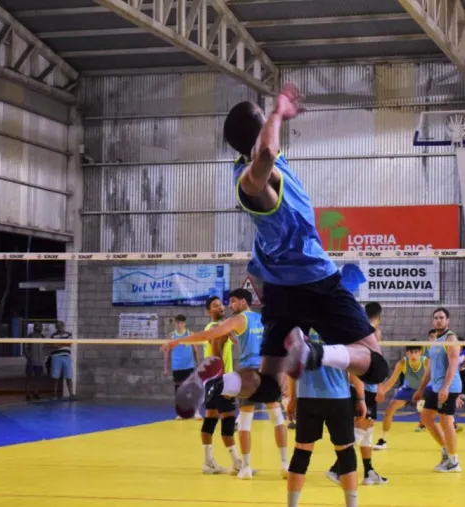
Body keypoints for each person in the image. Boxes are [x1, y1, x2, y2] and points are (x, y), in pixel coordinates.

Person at [174, 84, 390, 420]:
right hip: (315, 278)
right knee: (376, 366)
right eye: (265, 121)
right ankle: (315, 353)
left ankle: (217, 383)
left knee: (269, 386)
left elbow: (267, 152)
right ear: (261, 129)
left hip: (278, 288)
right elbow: (266, 153)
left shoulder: (260, 165)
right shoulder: (252, 184)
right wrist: (278, 111)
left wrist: (273, 118)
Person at [165, 289, 289, 479]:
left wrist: (178, 341)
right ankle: (284, 464)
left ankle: (245, 466)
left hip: (246, 374)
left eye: (232, 301)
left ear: (242, 301)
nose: (229, 305)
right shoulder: (262, 319)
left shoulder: (238, 320)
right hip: (267, 371)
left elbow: (208, 336)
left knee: (243, 420)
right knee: (277, 418)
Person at [286, 329, 361, 507]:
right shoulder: (341, 325)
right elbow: (354, 364)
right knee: (346, 453)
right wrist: (361, 398)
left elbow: (292, 365)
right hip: (339, 397)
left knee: (301, 452)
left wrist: (292, 397)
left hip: (307, 396)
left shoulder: (299, 327)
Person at [326, 302, 388, 485]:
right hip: (365, 389)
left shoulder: (357, 330)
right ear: (379, 317)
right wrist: (372, 389)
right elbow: (362, 365)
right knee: (360, 430)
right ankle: (336, 469)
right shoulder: (371, 333)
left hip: (362, 388)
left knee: (368, 430)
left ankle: (369, 472)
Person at [413, 308, 462, 473]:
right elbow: (429, 368)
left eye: (442, 317)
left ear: (448, 320)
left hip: (449, 386)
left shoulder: (451, 338)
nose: (438, 320)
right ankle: (446, 450)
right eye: (436, 318)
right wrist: (420, 389)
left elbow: (453, 365)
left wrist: (445, 387)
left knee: (446, 422)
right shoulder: (434, 340)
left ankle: (454, 461)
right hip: (435, 388)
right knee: (426, 418)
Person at [198, 297, 242, 474]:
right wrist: (225, 382)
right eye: (215, 306)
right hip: (221, 378)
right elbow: (217, 354)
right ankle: (237, 463)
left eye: (220, 304)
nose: (220, 307)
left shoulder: (214, 328)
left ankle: (208, 462)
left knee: (210, 417)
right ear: (209, 311)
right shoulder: (215, 328)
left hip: (210, 379)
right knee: (228, 418)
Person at [374, 341, 429, 449]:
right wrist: (380, 392)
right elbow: (391, 381)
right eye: (411, 352)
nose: (413, 355)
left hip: (425, 389)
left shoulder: (426, 362)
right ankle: (382, 440)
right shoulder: (402, 363)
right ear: (407, 353)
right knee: (389, 411)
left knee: (440, 412)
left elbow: (434, 379)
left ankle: (446, 438)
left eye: (416, 352)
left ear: (420, 352)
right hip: (408, 389)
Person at [163, 315, 203, 420]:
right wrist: (165, 367)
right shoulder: (171, 335)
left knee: (192, 389)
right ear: (175, 323)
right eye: (178, 323)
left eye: (182, 323)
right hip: (177, 367)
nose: (180, 325)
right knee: (179, 391)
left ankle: (195, 411)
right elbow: (167, 352)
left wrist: (198, 364)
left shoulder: (190, 334)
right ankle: (181, 413)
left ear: (184, 324)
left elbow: (195, 350)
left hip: (189, 366)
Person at [24, 323, 46, 401]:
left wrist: (43, 358)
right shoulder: (29, 336)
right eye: (38, 326)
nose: (40, 327)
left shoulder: (43, 337)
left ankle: (36, 393)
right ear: (34, 327)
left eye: (41, 326)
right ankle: (27, 394)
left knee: (38, 378)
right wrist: (29, 358)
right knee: (29, 377)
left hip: (39, 362)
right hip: (31, 361)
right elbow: (25, 348)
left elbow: (45, 348)